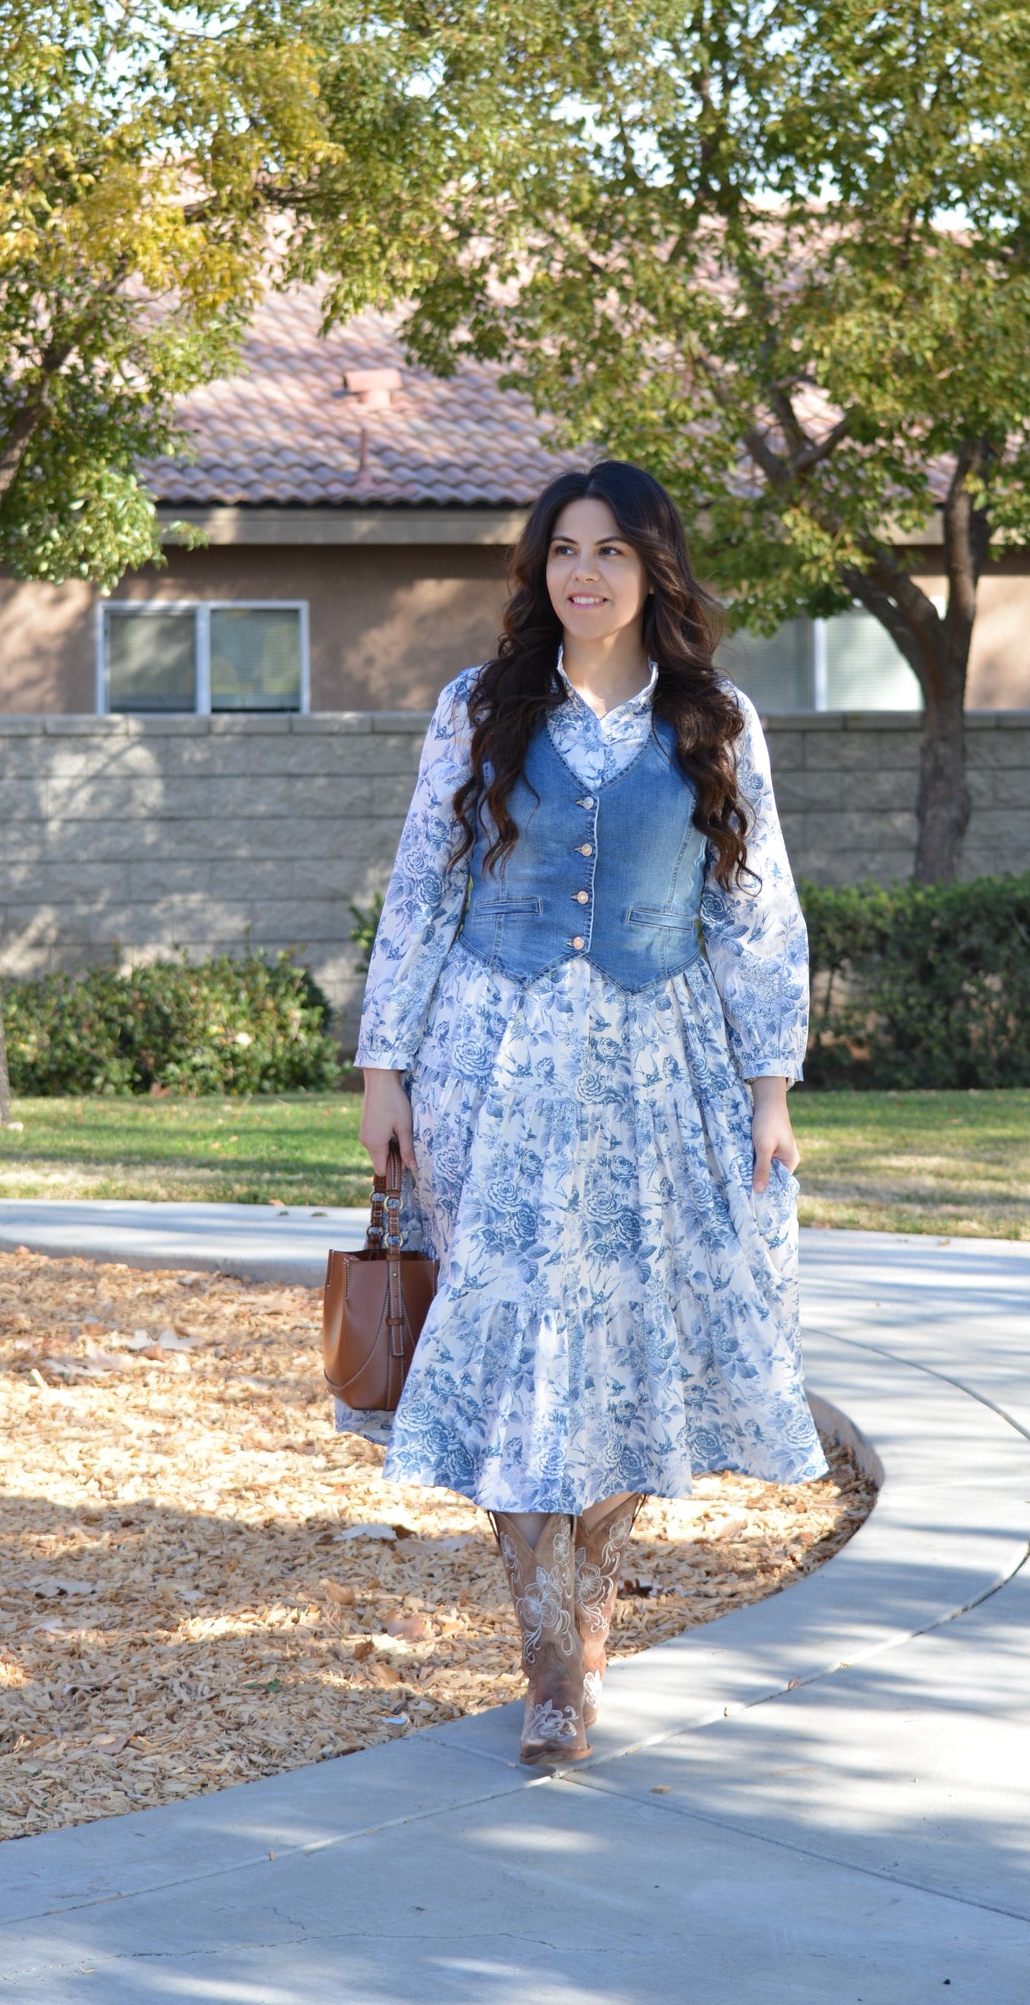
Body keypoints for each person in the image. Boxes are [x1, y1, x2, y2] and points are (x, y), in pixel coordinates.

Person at [351, 459, 826, 1767]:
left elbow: (756, 910)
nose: (585, 574)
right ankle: (548, 1664)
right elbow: (421, 886)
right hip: (491, 1068)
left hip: (658, 1070)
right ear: (538, 570)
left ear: (653, 569)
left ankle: (592, 1608)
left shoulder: (714, 720)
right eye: (564, 550)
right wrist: (385, 1068)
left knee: (627, 1359)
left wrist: (768, 1088)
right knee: (518, 1358)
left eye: (612, 552)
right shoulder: (479, 707)